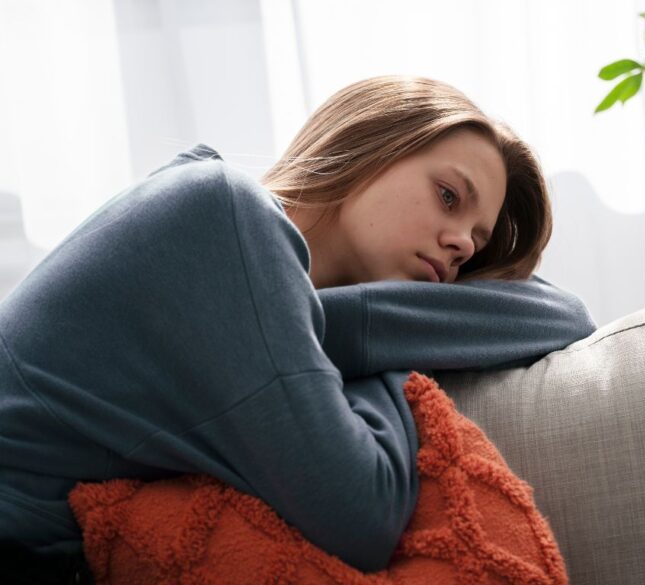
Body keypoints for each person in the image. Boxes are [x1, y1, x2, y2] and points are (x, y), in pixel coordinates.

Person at [0, 75, 596, 584]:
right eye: (447, 196)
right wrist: (378, 348)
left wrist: (327, 326)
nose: (462, 242)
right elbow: (362, 512)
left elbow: (561, 313)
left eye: (473, 247)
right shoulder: (221, 213)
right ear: (368, 146)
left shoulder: (259, 285)